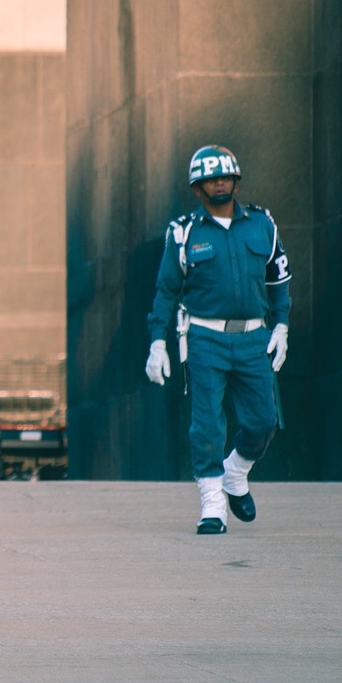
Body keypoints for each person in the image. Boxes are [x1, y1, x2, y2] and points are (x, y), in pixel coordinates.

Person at [145, 145, 290, 535]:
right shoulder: (184, 232)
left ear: (236, 181)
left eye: (226, 176)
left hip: (253, 336)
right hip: (204, 337)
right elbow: (165, 291)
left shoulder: (262, 223)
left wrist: (282, 325)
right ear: (198, 188)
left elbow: (278, 277)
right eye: (211, 179)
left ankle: (235, 473)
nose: (220, 183)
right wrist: (158, 342)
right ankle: (212, 504)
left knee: (263, 421)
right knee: (207, 422)